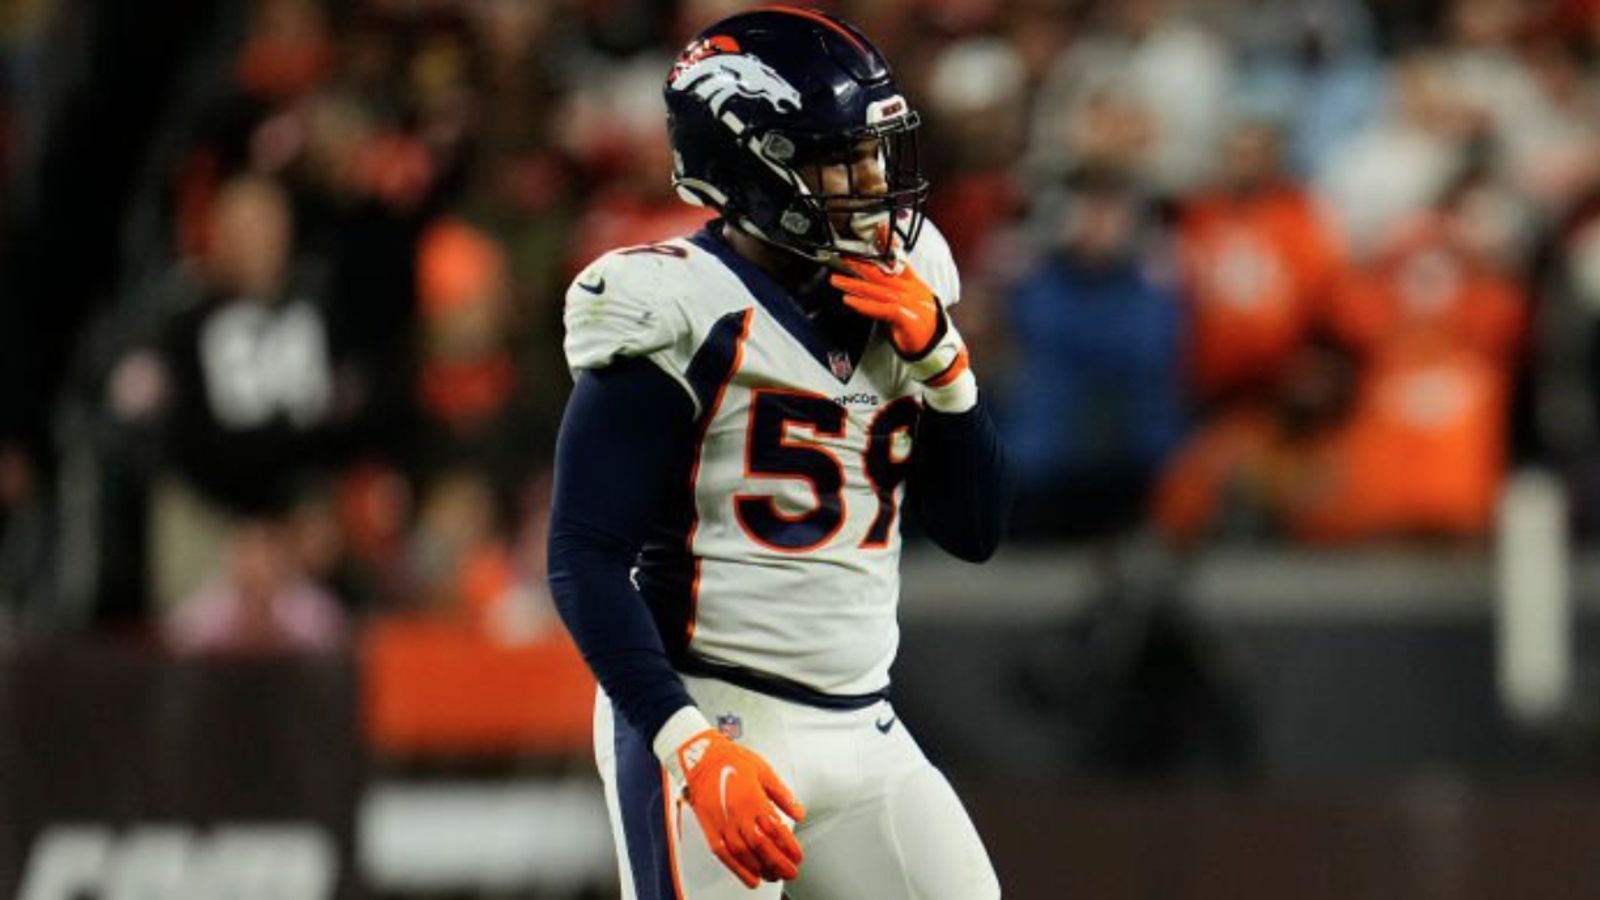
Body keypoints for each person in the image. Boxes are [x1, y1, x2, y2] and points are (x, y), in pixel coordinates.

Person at [546, 8, 1009, 900]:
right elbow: (582, 558)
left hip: (866, 725)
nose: (872, 184)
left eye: (874, 154)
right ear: (752, 167)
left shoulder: (910, 281)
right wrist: (686, 743)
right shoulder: (679, 305)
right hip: (715, 715)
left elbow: (977, 528)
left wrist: (948, 375)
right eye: (840, 159)